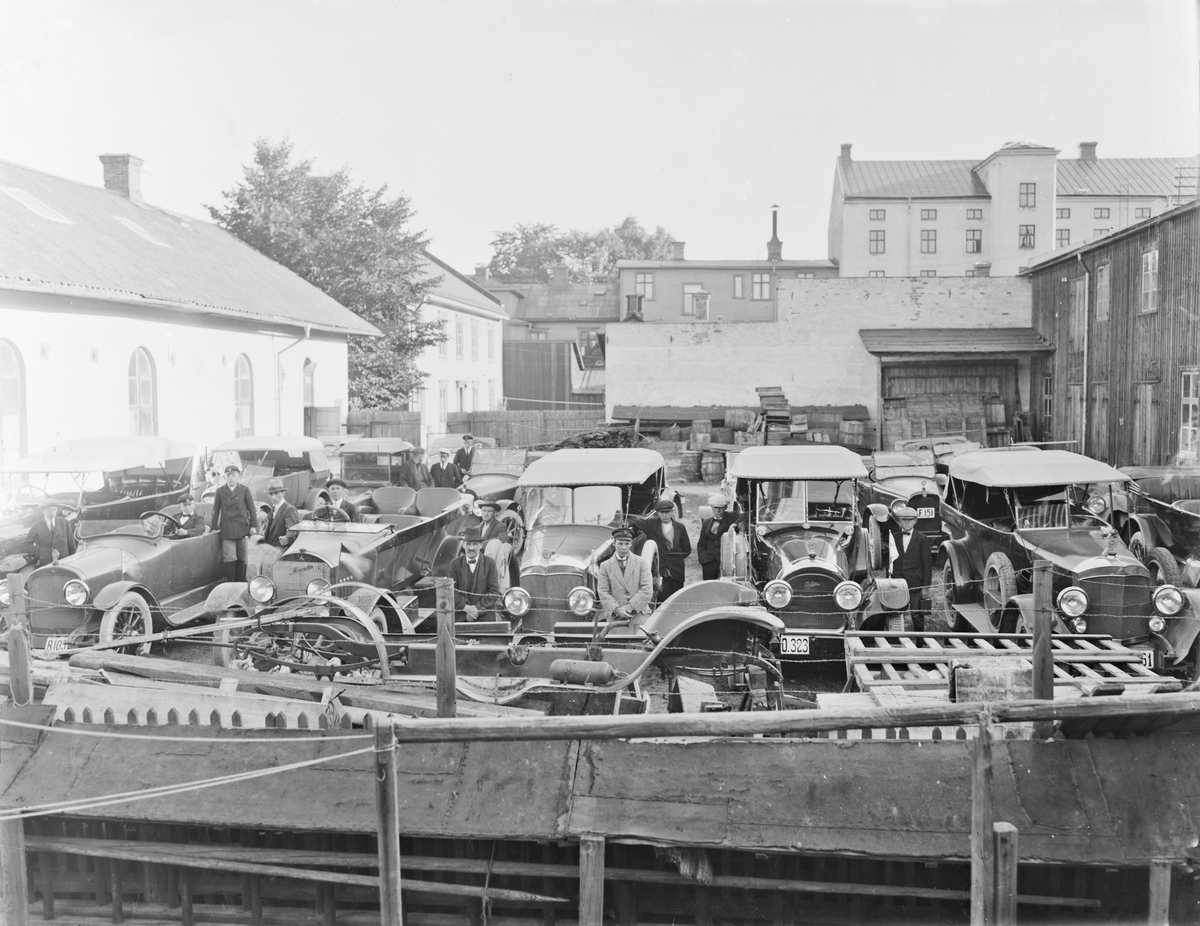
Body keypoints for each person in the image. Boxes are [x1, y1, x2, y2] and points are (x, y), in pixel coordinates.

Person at [631, 498, 692, 602]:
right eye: (662, 512)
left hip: (677, 570)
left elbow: (687, 549)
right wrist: (631, 530)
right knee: (662, 598)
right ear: (657, 513)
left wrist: (675, 558)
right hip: (660, 570)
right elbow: (634, 521)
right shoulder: (651, 525)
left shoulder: (680, 527)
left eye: (667, 512)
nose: (665, 515)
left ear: (672, 512)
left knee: (677, 598)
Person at [210, 463, 259, 583]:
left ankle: (241, 583)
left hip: (242, 528)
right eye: (228, 475)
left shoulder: (244, 490)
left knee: (242, 557)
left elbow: (251, 508)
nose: (231, 477)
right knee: (229, 558)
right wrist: (213, 527)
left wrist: (253, 525)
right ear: (225, 477)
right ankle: (231, 584)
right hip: (227, 529)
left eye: (233, 475)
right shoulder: (220, 491)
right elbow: (215, 510)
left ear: (238, 476)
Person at [888, 505, 933, 632]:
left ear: (915, 521)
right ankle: (896, 638)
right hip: (897, 583)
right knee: (895, 612)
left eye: (910, 520)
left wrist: (925, 586)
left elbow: (927, 564)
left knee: (917, 614)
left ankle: (919, 639)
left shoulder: (922, 539)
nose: (907, 522)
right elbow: (890, 562)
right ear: (899, 521)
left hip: (915, 583)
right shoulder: (894, 538)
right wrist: (888, 582)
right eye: (904, 520)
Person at [596, 525, 654, 622]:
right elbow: (603, 591)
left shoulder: (642, 563)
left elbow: (647, 589)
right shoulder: (605, 566)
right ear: (614, 543)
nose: (624, 548)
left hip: (639, 618)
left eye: (627, 543)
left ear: (631, 543)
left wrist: (630, 607)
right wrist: (617, 609)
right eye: (620, 543)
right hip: (616, 620)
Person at [444, 527, 500, 621]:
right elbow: (451, 591)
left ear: (481, 545)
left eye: (475, 544)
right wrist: (466, 608)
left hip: (484, 617)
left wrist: (477, 609)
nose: (471, 548)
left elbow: (493, 592)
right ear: (463, 545)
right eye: (468, 544)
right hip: (461, 616)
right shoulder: (454, 564)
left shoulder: (490, 563)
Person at [20, 500, 77, 568]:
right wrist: (40, 553)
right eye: (49, 510)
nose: (52, 512)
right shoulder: (37, 526)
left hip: (65, 561)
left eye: (54, 510)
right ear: (42, 511)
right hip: (46, 563)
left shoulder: (64, 523)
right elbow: (26, 544)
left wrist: (73, 560)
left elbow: (71, 544)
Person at [697, 494, 740, 580]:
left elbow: (747, 515)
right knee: (709, 586)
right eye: (715, 507)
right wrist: (703, 559)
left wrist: (734, 525)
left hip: (727, 562)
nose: (718, 510)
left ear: (725, 508)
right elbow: (701, 543)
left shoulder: (731, 518)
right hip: (709, 562)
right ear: (711, 507)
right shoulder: (706, 522)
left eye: (721, 507)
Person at [261, 478, 300, 548]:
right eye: (271, 494)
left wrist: (286, 538)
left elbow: (292, 530)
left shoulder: (290, 509)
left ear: (283, 493)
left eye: (276, 493)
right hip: (270, 549)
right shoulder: (273, 509)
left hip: (281, 550)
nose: (273, 497)